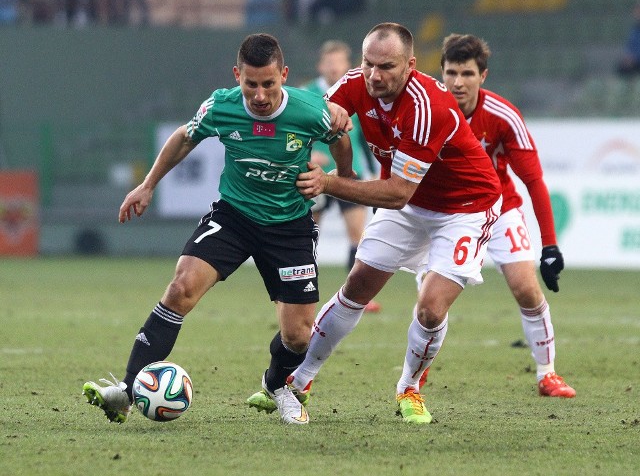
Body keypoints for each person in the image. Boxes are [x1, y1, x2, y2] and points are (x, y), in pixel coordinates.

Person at [82, 33, 352, 426]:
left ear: (284, 76)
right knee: (180, 288)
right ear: (236, 76)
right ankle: (126, 391)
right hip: (234, 216)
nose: (259, 95)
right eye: (250, 84)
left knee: (298, 337)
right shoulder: (221, 105)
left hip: (289, 226)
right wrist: (147, 185)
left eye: (269, 84)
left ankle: (277, 385)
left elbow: (340, 138)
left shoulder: (312, 110)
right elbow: (184, 137)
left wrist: (337, 179)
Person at [247, 22, 503, 424]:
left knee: (431, 309)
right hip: (412, 205)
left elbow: (397, 192)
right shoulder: (354, 83)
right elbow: (318, 120)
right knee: (356, 286)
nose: (374, 75)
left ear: (411, 66)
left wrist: (331, 181)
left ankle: (409, 388)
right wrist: (324, 134)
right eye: (368, 64)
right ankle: (297, 380)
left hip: (464, 208)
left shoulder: (426, 108)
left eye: (386, 66)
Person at [415, 33, 575, 398]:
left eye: (467, 73)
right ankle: (416, 375)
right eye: (451, 72)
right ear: (441, 72)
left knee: (526, 288)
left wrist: (549, 245)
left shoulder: (502, 115)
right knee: (430, 302)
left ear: (482, 75)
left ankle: (547, 374)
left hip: (498, 210)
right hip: (442, 214)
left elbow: (533, 181)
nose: (458, 82)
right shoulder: (426, 110)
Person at [303, 40, 381, 313]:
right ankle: (303, 291)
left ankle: (356, 297)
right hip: (314, 175)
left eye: (339, 62)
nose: (334, 67)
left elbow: (361, 138)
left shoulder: (358, 94)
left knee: (357, 235)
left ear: (348, 65)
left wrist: (372, 170)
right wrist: (307, 157)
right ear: (320, 65)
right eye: (330, 62)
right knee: (308, 235)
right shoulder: (306, 94)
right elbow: (293, 135)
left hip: (351, 173)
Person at [616, 4, 640, 76]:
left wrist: (634, 58)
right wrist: (628, 57)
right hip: (634, 61)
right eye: (636, 14)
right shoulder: (634, 30)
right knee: (621, 68)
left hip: (637, 60)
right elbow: (630, 46)